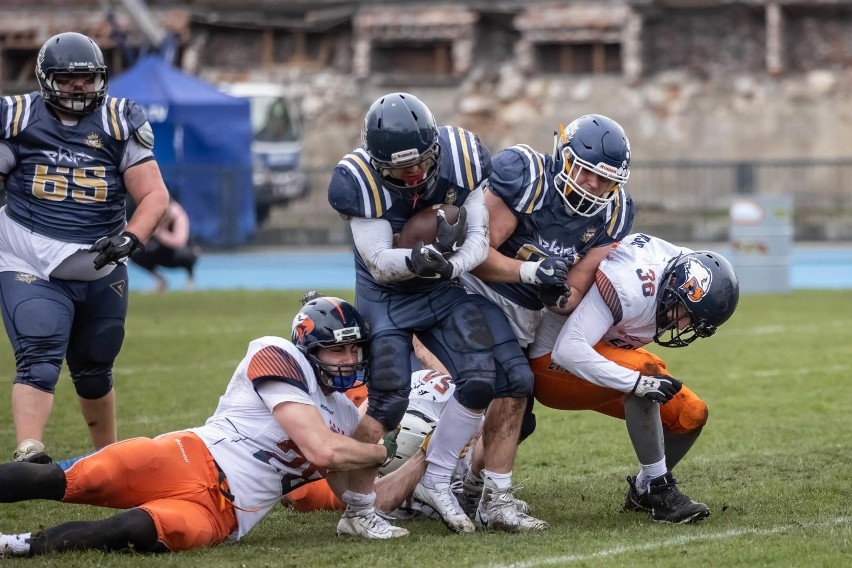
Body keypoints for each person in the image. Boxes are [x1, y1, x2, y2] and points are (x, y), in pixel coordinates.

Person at [0, 296, 405, 557]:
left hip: (226, 516)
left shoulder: (345, 413)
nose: (348, 360)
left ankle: (19, 545)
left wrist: (364, 507)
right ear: (309, 348)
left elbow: (343, 479)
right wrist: (378, 452)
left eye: (354, 349)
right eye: (337, 349)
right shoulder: (277, 354)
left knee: (135, 529)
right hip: (189, 457)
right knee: (70, 479)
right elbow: (324, 452)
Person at [436, 114, 635, 531]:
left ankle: (472, 488)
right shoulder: (527, 177)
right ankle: (469, 491)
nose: (594, 186)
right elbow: (476, 254)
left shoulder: (613, 214)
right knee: (502, 387)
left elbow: (572, 295)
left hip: (525, 316)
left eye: (605, 180)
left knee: (518, 416)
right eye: (586, 172)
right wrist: (532, 273)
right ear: (564, 157)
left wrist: (556, 294)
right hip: (473, 295)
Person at [327, 92, 505, 536]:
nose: (412, 174)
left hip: (441, 284)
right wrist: (416, 259)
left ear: (436, 150)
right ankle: (358, 510)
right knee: (388, 402)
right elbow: (377, 260)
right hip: (386, 293)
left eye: (420, 163)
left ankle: (437, 479)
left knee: (482, 379)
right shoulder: (357, 178)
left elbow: (479, 238)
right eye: (399, 168)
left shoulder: (463, 156)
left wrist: (450, 265)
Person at [0, 32, 170, 463]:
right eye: (66, 78)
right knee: (39, 354)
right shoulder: (16, 117)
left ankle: (107, 458)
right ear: (45, 79)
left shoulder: (119, 120)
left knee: (96, 365)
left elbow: (154, 195)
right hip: (29, 255)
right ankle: (29, 451)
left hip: (99, 257)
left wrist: (131, 239)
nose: (79, 87)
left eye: (88, 79)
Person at [529, 233, 740, 523]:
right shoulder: (630, 286)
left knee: (691, 414)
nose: (682, 325)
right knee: (645, 372)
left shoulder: (680, 267)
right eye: (686, 314)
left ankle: (643, 491)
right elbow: (568, 350)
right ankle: (660, 489)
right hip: (549, 361)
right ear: (677, 285)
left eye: (693, 324)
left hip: (594, 355)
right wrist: (637, 383)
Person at [131, 197, 201, 292]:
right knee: (136, 254)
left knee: (190, 254)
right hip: (162, 252)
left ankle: (190, 279)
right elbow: (142, 241)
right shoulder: (154, 216)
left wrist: (160, 233)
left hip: (179, 253)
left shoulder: (178, 216)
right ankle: (161, 280)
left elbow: (179, 241)